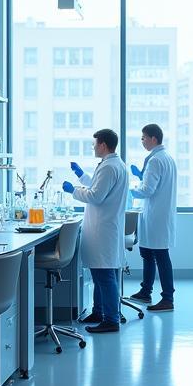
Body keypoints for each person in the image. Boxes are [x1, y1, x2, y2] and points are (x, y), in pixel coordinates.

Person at [64, 128, 129, 333]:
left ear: (103, 144)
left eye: (95, 144)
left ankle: (111, 320)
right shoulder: (113, 165)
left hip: (103, 228)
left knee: (104, 276)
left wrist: (72, 190)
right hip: (105, 227)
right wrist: (81, 175)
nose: (93, 147)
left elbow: (96, 196)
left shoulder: (110, 167)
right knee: (100, 273)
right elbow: (98, 186)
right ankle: (99, 312)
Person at [128, 123, 178, 312]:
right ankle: (145, 291)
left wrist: (129, 191)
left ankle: (167, 298)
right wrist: (142, 176)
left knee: (160, 256)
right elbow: (156, 183)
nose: (142, 142)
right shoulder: (166, 158)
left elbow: (148, 190)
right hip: (158, 215)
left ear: (153, 139)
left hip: (157, 216)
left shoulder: (156, 160)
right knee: (148, 253)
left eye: (143, 138)